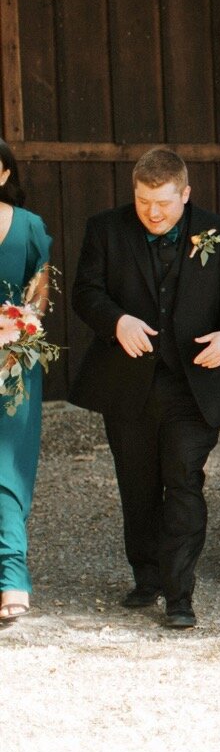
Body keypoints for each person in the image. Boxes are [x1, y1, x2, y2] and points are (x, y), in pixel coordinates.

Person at [71, 148, 220, 628]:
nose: (153, 212)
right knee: (137, 484)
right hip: (127, 383)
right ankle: (147, 575)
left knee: (183, 480)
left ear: (186, 193)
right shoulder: (105, 229)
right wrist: (117, 321)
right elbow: (85, 293)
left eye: (165, 203)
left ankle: (179, 594)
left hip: (192, 383)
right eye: (143, 200)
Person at [0, 140, 52, 623]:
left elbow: (39, 295)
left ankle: (12, 577)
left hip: (12, 363)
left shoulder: (29, 226)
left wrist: (20, 326)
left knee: (6, 468)